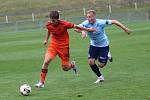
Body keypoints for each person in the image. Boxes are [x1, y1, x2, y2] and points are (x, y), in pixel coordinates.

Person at [35, 10, 95, 88]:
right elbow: (49, 30)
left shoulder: (64, 24)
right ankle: (41, 82)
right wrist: (46, 39)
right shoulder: (49, 24)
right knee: (46, 61)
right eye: (51, 20)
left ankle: (72, 65)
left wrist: (88, 30)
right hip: (53, 45)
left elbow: (76, 26)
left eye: (53, 20)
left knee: (65, 68)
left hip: (64, 47)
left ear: (58, 19)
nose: (51, 22)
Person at [76, 10, 131, 83]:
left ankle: (108, 55)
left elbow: (114, 21)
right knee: (91, 62)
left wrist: (125, 29)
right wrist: (83, 31)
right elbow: (76, 28)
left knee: (101, 65)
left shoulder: (101, 22)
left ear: (94, 16)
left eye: (90, 17)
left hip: (103, 45)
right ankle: (100, 77)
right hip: (94, 45)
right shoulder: (85, 23)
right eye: (87, 17)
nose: (88, 18)